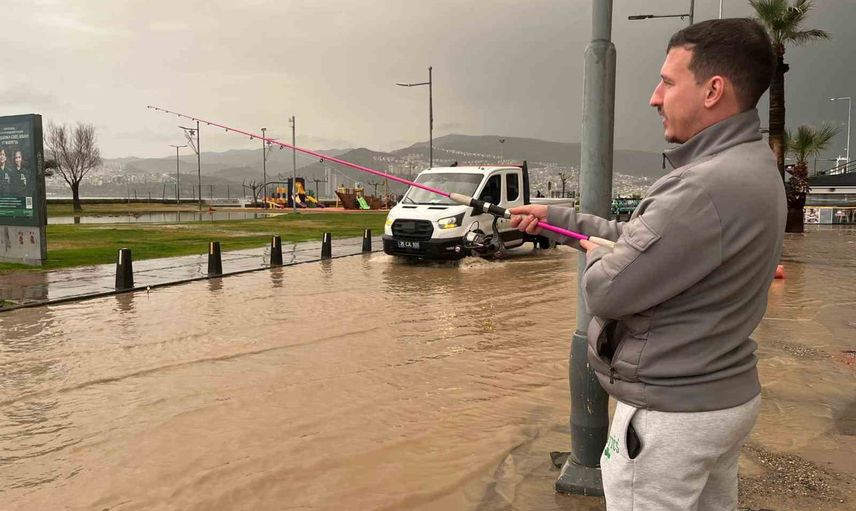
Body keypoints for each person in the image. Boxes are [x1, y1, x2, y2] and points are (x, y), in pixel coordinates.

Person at [510, 18, 785, 510]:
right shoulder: (752, 165)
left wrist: (599, 258)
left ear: (713, 90)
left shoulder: (699, 188)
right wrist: (558, 220)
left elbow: (606, 291)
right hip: (721, 399)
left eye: (667, 82)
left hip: (670, 417)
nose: (654, 98)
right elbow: (645, 243)